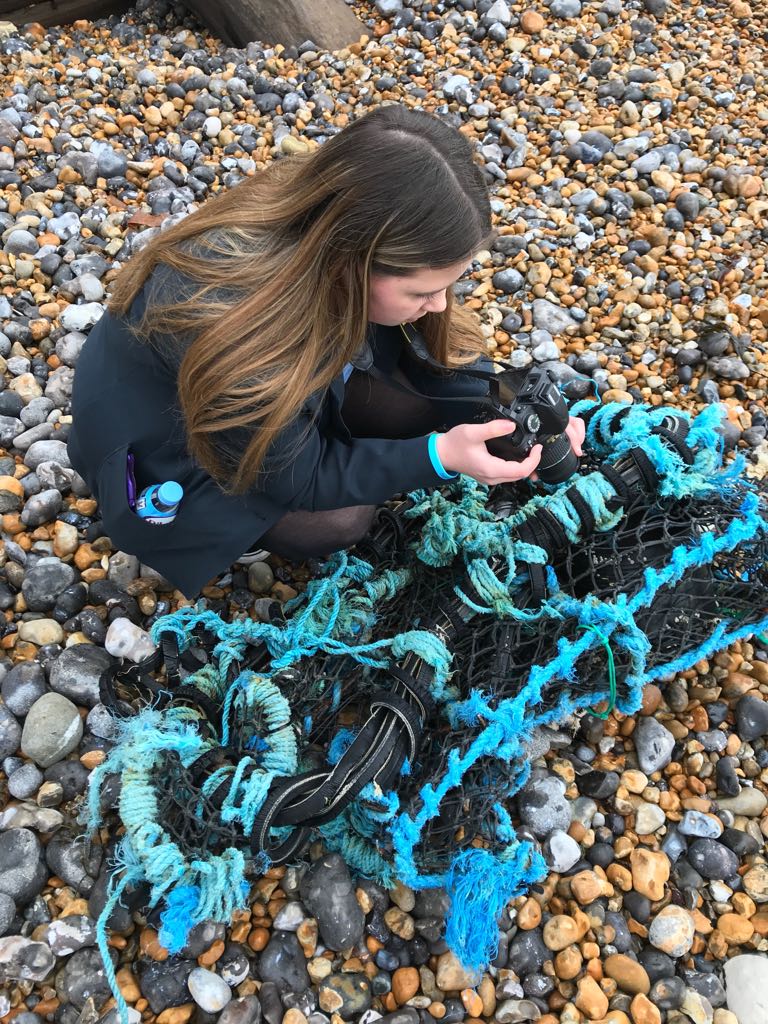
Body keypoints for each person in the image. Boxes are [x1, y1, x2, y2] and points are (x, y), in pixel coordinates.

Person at [68, 103, 584, 596]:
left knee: (412, 399)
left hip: (261, 379)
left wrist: (511, 408)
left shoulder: (328, 215)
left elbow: (435, 358)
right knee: (339, 520)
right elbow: (300, 477)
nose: (439, 304)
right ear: (353, 263)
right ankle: (228, 530)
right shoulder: (231, 321)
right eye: (421, 291)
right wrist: (442, 456)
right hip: (163, 448)